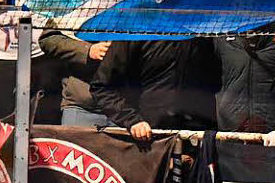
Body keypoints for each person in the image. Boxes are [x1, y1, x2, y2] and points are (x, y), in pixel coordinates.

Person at [90, 38, 218, 138]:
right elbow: (101, 86)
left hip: (198, 137)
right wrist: (132, 120)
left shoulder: (206, 31)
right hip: (150, 139)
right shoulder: (135, 31)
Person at [38, 32, 112, 127]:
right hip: (81, 108)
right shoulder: (65, 17)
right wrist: (87, 50)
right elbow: (48, 39)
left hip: (126, 110)